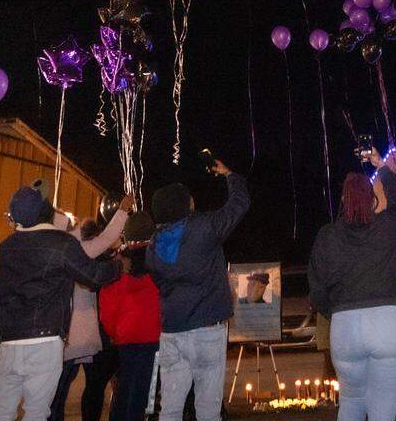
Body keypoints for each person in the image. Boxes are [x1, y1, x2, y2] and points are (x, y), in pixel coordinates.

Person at [0, 186, 121, 421]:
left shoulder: (4, 248)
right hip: (45, 339)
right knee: (37, 411)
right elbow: (93, 276)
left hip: (9, 341)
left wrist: (9, 327)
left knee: (3, 408)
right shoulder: (60, 243)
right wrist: (118, 266)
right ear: (45, 211)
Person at [309, 148, 396, 421]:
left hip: (346, 325)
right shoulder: (385, 225)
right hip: (392, 321)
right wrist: (381, 167)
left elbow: (317, 285)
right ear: (372, 198)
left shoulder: (328, 235)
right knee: (384, 408)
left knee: (352, 402)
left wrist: (335, 312)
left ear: (343, 200)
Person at [143, 156, 249, 421]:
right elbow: (238, 205)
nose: (192, 200)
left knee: (169, 409)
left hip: (172, 333)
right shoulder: (203, 228)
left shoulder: (153, 246)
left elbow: (159, 283)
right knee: (208, 410)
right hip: (207, 330)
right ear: (182, 205)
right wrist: (230, 175)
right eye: (187, 197)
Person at [48, 192, 130, 421]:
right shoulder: (76, 251)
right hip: (72, 336)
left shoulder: (50, 251)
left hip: (58, 334)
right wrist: (122, 211)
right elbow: (106, 238)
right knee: (57, 393)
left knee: (57, 392)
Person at [99, 228, 162, 421]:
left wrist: (115, 333)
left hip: (125, 339)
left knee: (125, 384)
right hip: (152, 337)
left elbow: (107, 310)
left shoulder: (117, 275)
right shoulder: (158, 272)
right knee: (142, 388)